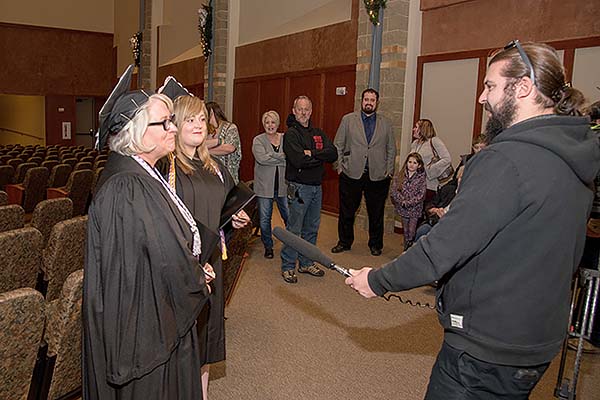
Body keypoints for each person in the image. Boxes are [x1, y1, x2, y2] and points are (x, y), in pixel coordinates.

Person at [345, 41, 600, 399]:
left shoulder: (507, 160)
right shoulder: (577, 156)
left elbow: (443, 246)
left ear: (523, 87)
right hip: (537, 341)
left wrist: (378, 280)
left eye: (490, 85)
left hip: (487, 346)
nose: (482, 97)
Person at [83, 66, 210, 399]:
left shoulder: (141, 174)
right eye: (165, 122)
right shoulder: (128, 186)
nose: (173, 128)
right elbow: (162, 259)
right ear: (137, 132)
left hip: (154, 314)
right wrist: (196, 277)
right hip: (144, 331)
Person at [158, 90, 250, 400]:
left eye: (201, 119)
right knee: (181, 335)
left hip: (213, 259)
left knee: (206, 334)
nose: (198, 125)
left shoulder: (216, 168)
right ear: (176, 125)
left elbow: (223, 210)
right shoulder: (166, 169)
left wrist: (234, 219)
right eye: (190, 120)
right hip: (182, 263)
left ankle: (202, 395)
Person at [332, 88, 396, 256]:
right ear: (361, 101)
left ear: (377, 103)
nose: (369, 102)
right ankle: (344, 242)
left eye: (372, 100)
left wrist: (389, 170)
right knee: (347, 212)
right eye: (366, 99)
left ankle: (376, 244)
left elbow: (391, 149)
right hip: (351, 173)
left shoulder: (386, 123)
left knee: (376, 213)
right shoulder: (347, 120)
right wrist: (339, 167)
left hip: (378, 176)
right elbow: (338, 144)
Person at [280, 95, 337, 283]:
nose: (303, 113)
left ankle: (305, 263)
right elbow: (298, 160)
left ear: (311, 111)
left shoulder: (318, 133)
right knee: (294, 229)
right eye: (300, 109)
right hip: (299, 188)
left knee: (312, 228)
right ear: (294, 111)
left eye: (306, 109)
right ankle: (288, 266)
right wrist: (318, 157)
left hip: (316, 188)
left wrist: (311, 153)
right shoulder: (291, 135)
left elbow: (333, 153)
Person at [252, 110, 289, 259]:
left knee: (289, 216)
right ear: (263, 124)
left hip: (283, 186)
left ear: (278, 123)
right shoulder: (258, 140)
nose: (270, 125)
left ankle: (292, 244)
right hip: (264, 187)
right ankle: (268, 246)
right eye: (267, 122)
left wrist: (272, 155)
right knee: (264, 219)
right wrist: (282, 157)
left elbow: (291, 157)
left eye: (273, 122)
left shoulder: (286, 138)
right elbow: (262, 159)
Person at [390, 152, 426, 251]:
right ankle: (406, 249)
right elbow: (394, 190)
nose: (411, 164)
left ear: (419, 165)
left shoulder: (421, 178)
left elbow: (421, 194)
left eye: (414, 163)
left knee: (411, 231)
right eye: (410, 162)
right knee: (405, 230)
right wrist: (402, 201)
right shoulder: (400, 175)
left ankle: (411, 248)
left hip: (415, 209)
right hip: (403, 208)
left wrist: (409, 202)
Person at [410, 119, 452, 202]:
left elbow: (447, 159)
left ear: (423, 129)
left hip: (428, 186)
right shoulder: (415, 143)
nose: (413, 129)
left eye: (416, 127)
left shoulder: (434, 141)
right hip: (414, 185)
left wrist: (429, 171)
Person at [205, 101, 242, 184]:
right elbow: (199, 145)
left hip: (229, 177)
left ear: (211, 113)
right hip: (211, 178)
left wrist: (206, 151)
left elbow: (229, 148)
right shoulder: (206, 131)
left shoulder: (230, 128)